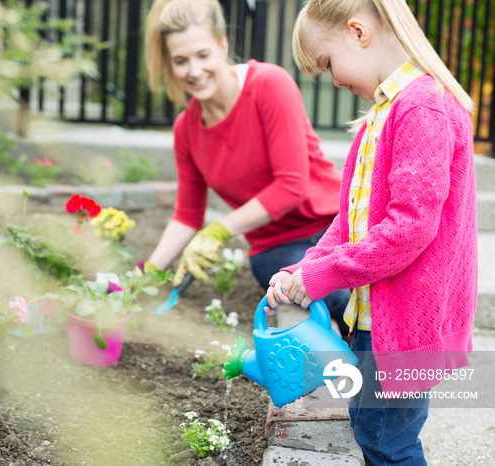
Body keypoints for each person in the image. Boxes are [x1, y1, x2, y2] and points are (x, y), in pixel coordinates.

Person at [264, 0, 477, 464]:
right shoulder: (382, 113)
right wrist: (304, 268)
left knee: (388, 443)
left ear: (358, 32)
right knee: (370, 428)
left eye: (328, 63)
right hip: (375, 319)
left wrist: (323, 275)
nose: (334, 80)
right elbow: (351, 219)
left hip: (401, 326)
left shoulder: (422, 108)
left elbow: (408, 229)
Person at [142, 0, 350, 336]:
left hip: (335, 226)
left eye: (203, 55)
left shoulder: (269, 84)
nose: (194, 70)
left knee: (353, 294)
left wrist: (218, 231)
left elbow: (291, 186)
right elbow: (187, 215)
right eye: (180, 61)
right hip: (277, 248)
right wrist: (147, 274)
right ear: (170, 63)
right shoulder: (186, 129)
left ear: (222, 46)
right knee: (334, 294)